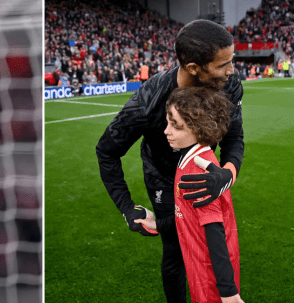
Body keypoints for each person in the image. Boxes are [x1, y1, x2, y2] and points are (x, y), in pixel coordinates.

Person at [96, 19, 244, 303]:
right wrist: (127, 208)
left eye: (231, 60)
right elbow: (107, 151)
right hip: (162, 177)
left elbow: (234, 139)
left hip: (206, 172)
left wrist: (226, 174)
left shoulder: (230, 85)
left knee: (212, 240)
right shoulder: (148, 103)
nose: (232, 70)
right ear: (193, 69)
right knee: (175, 248)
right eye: (222, 64)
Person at [136, 87, 243, 303]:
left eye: (175, 126)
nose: (166, 131)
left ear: (199, 128)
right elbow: (187, 217)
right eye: (168, 122)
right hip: (198, 267)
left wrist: (228, 292)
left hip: (211, 277)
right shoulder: (187, 158)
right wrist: (159, 224)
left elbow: (216, 237)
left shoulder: (199, 172)